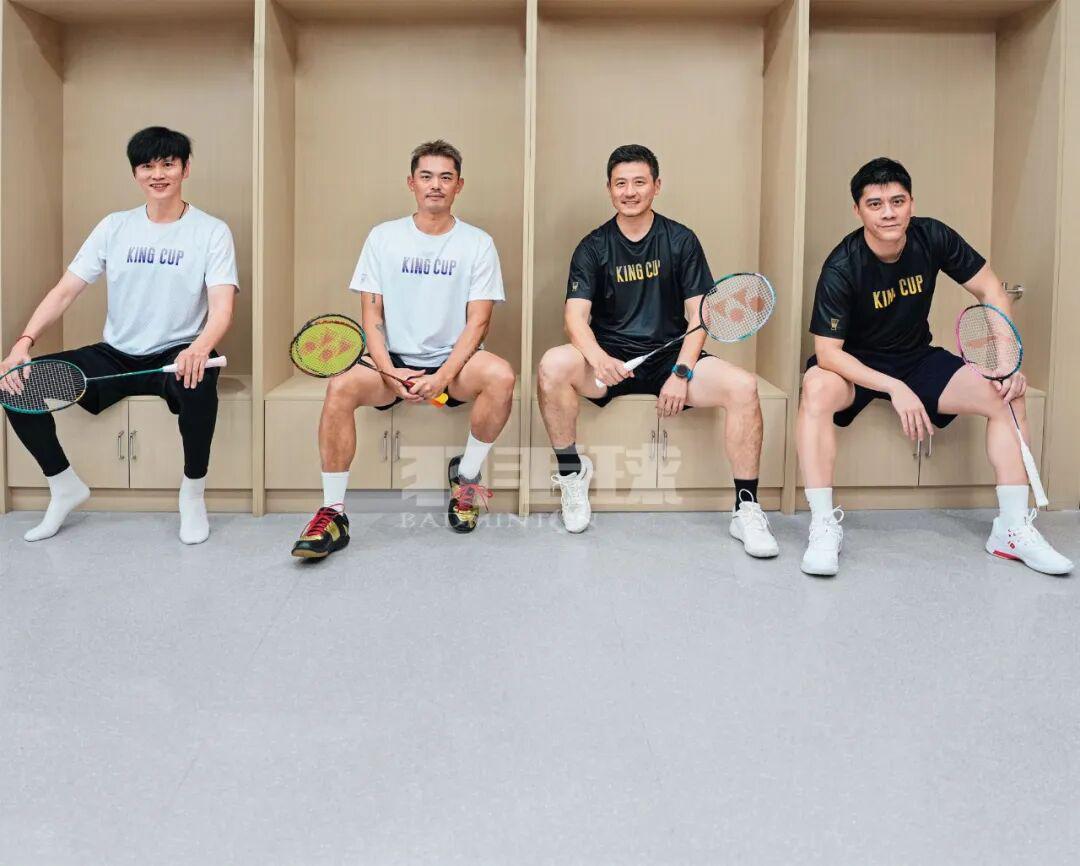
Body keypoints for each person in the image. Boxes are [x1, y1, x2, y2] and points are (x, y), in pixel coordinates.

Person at [797, 156, 1073, 577]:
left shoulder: (932, 236)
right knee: (816, 386)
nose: (888, 213)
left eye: (897, 201)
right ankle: (822, 526)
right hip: (855, 365)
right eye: (875, 204)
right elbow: (829, 353)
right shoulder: (842, 265)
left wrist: (1004, 362)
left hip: (915, 356)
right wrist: (894, 387)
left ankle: (1012, 529)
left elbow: (992, 291)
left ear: (911, 202)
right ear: (858, 210)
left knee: (1006, 396)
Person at [536, 144, 778, 557]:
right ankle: (572, 475)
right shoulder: (593, 246)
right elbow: (574, 318)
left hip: (669, 357)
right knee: (552, 364)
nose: (629, 191)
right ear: (609, 189)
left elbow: (699, 316)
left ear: (657, 186)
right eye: (620, 183)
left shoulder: (680, 240)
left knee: (743, 386)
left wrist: (682, 373)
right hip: (611, 359)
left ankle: (746, 509)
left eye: (639, 182)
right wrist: (598, 359)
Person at [0, 126, 238, 545]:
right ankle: (63, 485)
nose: (158, 174)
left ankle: (193, 494)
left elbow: (222, 307)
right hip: (115, 355)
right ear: (135, 173)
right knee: (14, 384)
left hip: (174, 354)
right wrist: (23, 343)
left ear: (185, 169)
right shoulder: (115, 227)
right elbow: (65, 291)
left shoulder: (211, 231)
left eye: (168, 164)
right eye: (147, 166)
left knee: (199, 382)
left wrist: (200, 348)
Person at [291, 140, 515, 559]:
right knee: (340, 387)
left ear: (459, 185)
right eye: (426, 176)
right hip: (390, 363)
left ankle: (465, 479)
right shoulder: (383, 238)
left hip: (453, 364)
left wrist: (442, 377)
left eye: (445, 177)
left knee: (501, 376)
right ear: (411, 183)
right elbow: (371, 315)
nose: (436, 185)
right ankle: (332, 513)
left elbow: (479, 322)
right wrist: (390, 372)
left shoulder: (477, 243)